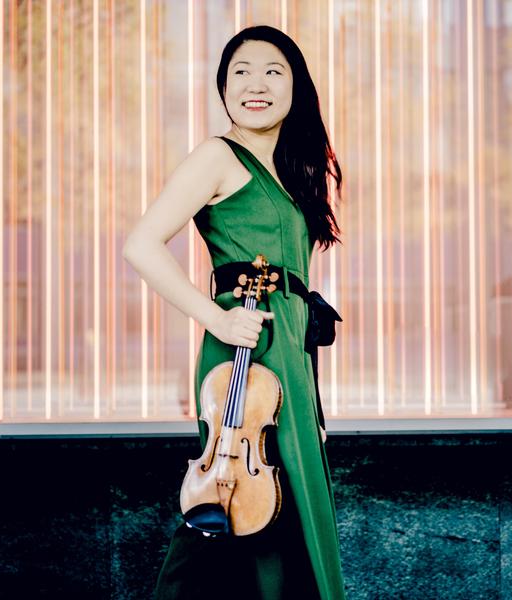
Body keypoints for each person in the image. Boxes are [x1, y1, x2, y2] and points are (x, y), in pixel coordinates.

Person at [122, 25, 347, 600]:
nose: (256, 84)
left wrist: (312, 393)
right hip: (245, 350)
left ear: (296, 86)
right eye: (241, 72)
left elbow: (295, 288)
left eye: (273, 71)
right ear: (223, 87)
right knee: (238, 503)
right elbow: (141, 245)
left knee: (282, 502)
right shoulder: (216, 155)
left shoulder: (291, 169)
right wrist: (215, 318)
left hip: (289, 355)